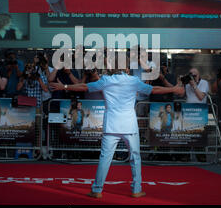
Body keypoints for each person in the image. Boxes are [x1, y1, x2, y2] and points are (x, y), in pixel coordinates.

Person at [50, 54, 184, 198]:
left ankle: (97, 190)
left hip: (111, 126)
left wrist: (64, 86)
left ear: (113, 68)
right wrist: (174, 89)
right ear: (127, 68)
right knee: (135, 158)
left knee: (105, 158)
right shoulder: (133, 81)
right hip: (129, 125)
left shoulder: (106, 80)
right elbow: (154, 90)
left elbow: (84, 86)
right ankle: (136, 189)